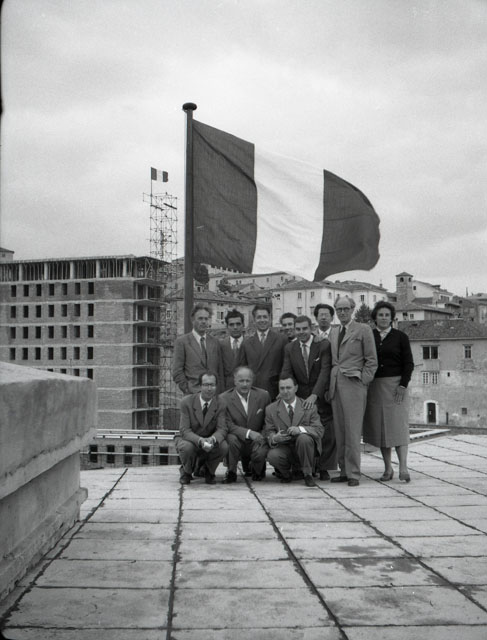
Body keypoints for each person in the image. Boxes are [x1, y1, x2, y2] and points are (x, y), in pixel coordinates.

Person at [328, 295, 378, 487]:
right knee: (340, 431)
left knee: (353, 431)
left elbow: (371, 360)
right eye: (339, 309)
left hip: (354, 385)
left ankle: (354, 473)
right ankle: (343, 470)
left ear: (352, 310)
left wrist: (363, 381)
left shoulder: (363, 329)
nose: (342, 312)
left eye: (345, 309)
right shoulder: (334, 331)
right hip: (336, 385)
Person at [363, 301, 414, 482]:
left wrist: (403, 385)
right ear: (375, 318)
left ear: (392, 318)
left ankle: (403, 468)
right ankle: (387, 469)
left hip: (396, 387)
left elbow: (409, 363)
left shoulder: (401, 337)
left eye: (387, 315)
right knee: (382, 430)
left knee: (398, 427)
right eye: (380, 315)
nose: (384, 318)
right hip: (375, 387)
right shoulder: (369, 336)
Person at [281, 315, 336, 481]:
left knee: (326, 432)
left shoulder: (323, 345)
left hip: (321, 396)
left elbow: (325, 371)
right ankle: (305, 467)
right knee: (303, 433)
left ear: (311, 328)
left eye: (304, 328)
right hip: (301, 397)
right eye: (298, 329)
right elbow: (287, 371)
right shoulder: (290, 348)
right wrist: (289, 393)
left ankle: (324, 467)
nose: (301, 332)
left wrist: (315, 394)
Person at [264, 376, 324, 487]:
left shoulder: (308, 406)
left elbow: (319, 430)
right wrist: (274, 438)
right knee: (273, 455)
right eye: (282, 388)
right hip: (285, 447)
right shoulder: (271, 409)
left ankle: (308, 474)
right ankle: (286, 474)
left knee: (304, 438)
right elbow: (268, 431)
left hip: (305, 448)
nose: (285, 391)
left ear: (296, 388)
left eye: (288, 388)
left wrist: (300, 429)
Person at [175, 371, 228, 485]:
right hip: (190, 439)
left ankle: (209, 471)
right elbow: (184, 430)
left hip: (209, 439)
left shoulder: (221, 403)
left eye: (212, 385)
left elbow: (222, 429)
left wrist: (212, 439)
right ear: (199, 386)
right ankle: (186, 472)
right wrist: (200, 440)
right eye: (206, 385)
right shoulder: (186, 402)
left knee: (223, 446)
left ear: (216, 386)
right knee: (186, 447)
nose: (209, 389)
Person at [219, 366, 271, 482]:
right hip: (237, 438)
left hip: (257, 437)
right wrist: (248, 433)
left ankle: (257, 468)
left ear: (252, 381)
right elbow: (227, 424)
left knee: (258, 475)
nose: (244, 384)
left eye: (248, 381)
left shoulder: (263, 396)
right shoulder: (223, 399)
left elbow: (268, 421)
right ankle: (231, 472)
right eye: (241, 381)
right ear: (234, 381)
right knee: (230, 438)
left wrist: (262, 435)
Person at [238, 304, 288, 400]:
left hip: (275, 392)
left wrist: (283, 389)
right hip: (253, 392)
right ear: (254, 320)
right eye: (259, 317)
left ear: (270, 318)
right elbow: (242, 370)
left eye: (265, 317)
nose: (262, 320)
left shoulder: (281, 339)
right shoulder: (246, 343)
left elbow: (286, 368)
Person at [172, 304, 224, 394]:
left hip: (213, 395)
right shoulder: (182, 342)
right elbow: (177, 371)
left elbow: (219, 370)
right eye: (200, 318)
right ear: (193, 320)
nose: (203, 322)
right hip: (193, 394)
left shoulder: (215, 342)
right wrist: (188, 389)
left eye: (206, 319)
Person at [220, 309, 245, 390]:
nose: (235, 327)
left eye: (238, 324)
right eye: (231, 324)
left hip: (245, 387)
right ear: (227, 327)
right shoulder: (221, 345)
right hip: (227, 389)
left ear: (243, 325)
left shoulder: (250, 344)